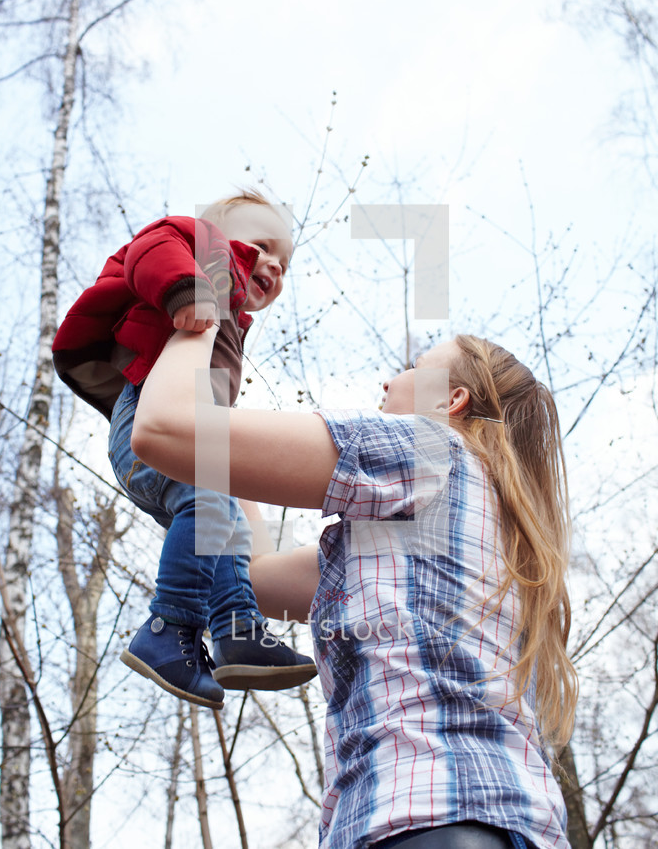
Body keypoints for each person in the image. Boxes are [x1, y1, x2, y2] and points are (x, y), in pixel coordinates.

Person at [130, 328, 578, 849]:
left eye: (414, 365)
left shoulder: (430, 449)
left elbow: (163, 431)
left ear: (451, 399)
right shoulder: (476, 530)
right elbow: (252, 575)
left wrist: (197, 320)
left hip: (429, 816)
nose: (389, 379)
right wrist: (221, 450)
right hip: (496, 822)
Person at [52, 190, 317, 710]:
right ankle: (168, 625)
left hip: (182, 433)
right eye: (261, 245)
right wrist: (184, 289)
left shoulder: (231, 318)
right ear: (216, 234)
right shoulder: (206, 258)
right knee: (214, 505)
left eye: (283, 263)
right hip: (145, 418)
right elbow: (153, 248)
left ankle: (237, 627)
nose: (273, 265)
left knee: (227, 526)